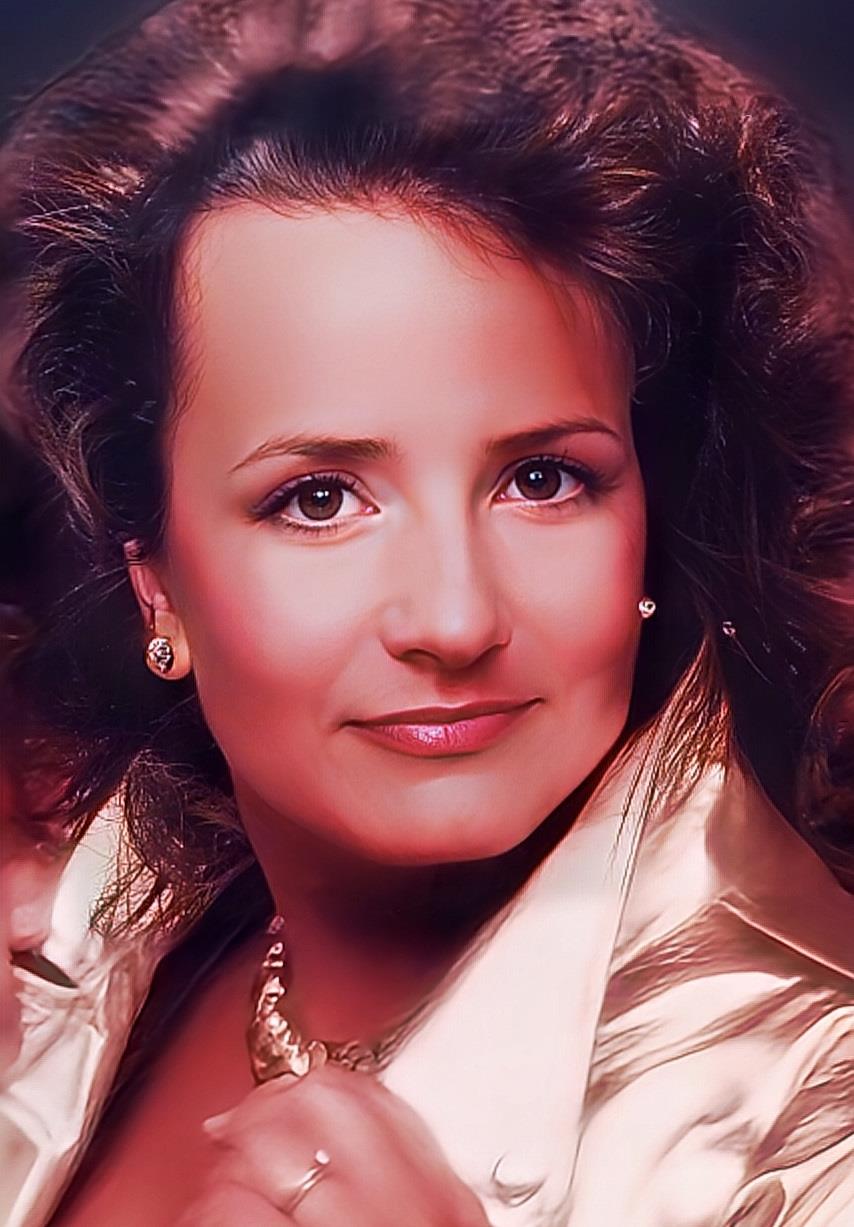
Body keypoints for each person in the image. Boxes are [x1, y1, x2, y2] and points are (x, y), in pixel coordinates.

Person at [0, 0, 852, 1223]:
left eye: (543, 480)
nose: (453, 620)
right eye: (319, 498)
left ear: (650, 517)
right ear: (160, 583)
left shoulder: (813, 1129)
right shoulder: (86, 959)